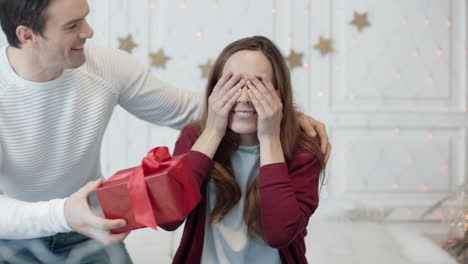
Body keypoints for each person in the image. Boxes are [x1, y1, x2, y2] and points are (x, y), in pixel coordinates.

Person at [0, 0, 330, 262]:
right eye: (73, 25)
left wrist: (283, 116)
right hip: (13, 233)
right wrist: (64, 213)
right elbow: (172, 214)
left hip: (89, 228)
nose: (89, 32)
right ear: (28, 35)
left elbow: (194, 110)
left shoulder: (105, 66)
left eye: (85, 17)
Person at [161, 36, 326, 264]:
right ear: (214, 89)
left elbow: (280, 234)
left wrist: (269, 137)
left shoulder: (304, 150)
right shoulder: (194, 138)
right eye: (233, 84)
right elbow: (167, 219)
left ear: (280, 94)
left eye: (259, 86)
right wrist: (212, 133)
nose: (245, 98)